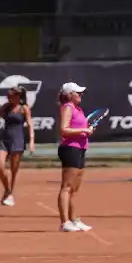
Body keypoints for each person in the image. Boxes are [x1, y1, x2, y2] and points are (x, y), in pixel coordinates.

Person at [56, 82, 92, 232]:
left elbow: (78, 129)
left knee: (75, 189)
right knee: (67, 187)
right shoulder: (68, 107)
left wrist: (86, 131)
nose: (81, 94)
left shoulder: (78, 109)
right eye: (78, 92)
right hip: (70, 149)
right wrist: (84, 130)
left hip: (81, 149)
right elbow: (63, 130)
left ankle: (74, 219)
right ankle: (65, 222)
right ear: (69, 95)